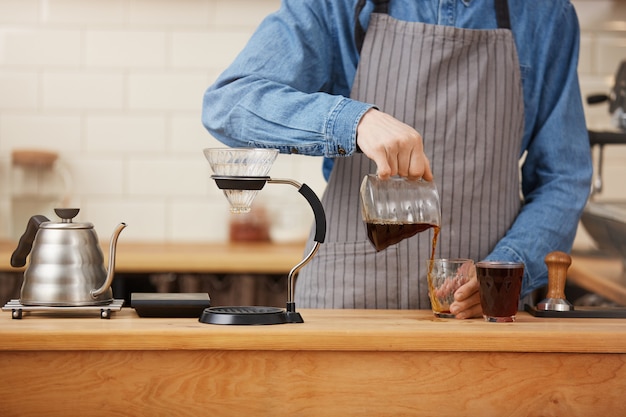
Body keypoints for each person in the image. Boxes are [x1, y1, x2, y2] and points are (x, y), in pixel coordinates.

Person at [202, 0, 592, 318]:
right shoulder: (339, 6)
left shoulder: (546, 16)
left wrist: (506, 270)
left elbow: (563, 177)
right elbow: (229, 103)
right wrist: (354, 122)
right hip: (346, 308)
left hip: (480, 319)